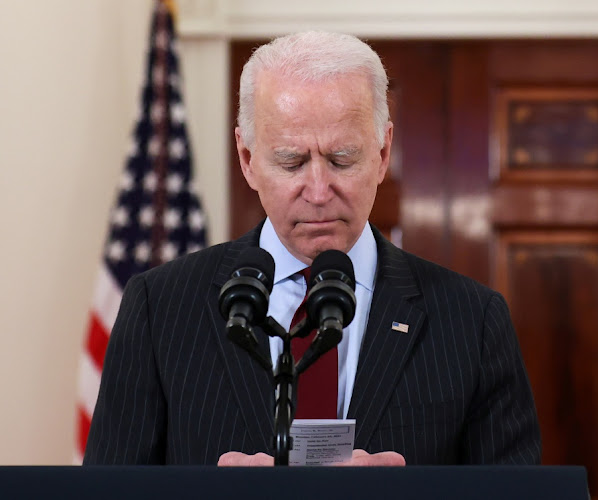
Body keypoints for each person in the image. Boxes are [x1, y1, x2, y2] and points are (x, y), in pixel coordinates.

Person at [84, 31, 541, 466]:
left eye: (342, 159)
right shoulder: (161, 307)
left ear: (383, 154)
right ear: (248, 160)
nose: (319, 191)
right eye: (292, 161)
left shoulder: (473, 320)